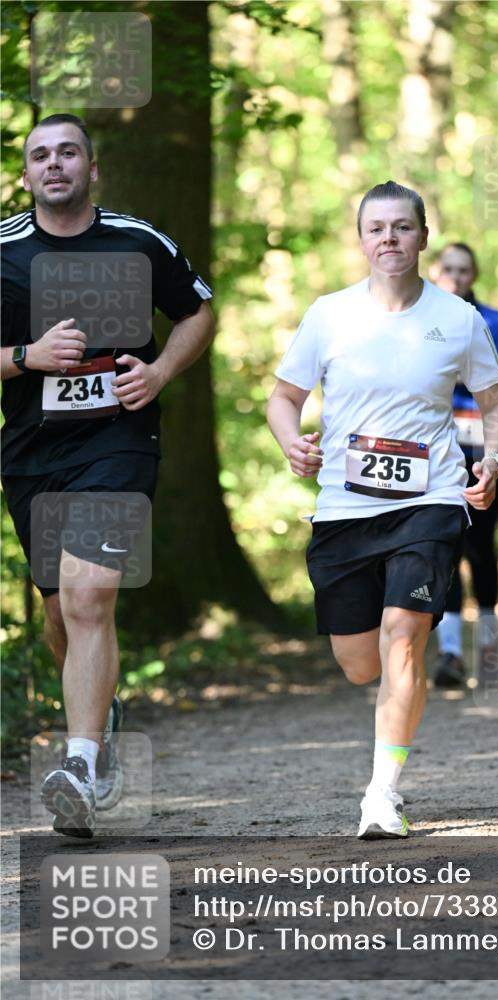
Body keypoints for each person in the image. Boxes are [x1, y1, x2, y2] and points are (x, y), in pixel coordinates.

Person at [267, 182, 498, 838]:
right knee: (362, 664)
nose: (388, 238)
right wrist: (291, 441)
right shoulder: (329, 315)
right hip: (344, 508)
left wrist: (488, 461)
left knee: (403, 635)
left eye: (401, 227)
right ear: (360, 239)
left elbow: (497, 404)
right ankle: (398, 703)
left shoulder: (458, 318)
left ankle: (382, 792)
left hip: (429, 501)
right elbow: (282, 397)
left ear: (422, 238)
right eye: (375, 227)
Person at [1, 114, 215, 836]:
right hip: (33, 451)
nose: (54, 164)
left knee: (91, 595)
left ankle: (84, 764)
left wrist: (158, 371)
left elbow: (198, 311)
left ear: (93, 168)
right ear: (26, 173)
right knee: (62, 613)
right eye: (40, 155)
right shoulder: (2, 251)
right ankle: (100, 714)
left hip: (120, 439)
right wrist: (26, 356)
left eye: (68, 152)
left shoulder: (136, 241)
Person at [431, 243, 498, 687]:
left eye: (464, 270)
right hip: (434, 452)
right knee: (445, 545)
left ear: (475, 274)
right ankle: (449, 653)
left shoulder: (493, 322)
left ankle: (488, 646)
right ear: (435, 270)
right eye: (448, 269)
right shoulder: (416, 319)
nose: (456, 277)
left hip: (485, 449)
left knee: (481, 547)